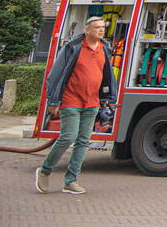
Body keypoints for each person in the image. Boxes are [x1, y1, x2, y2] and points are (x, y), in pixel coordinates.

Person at [35, 15, 116, 195]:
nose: (101, 30)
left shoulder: (105, 49)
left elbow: (106, 75)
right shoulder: (73, 48)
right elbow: (55, 75)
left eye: (103, 27)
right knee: (68, 137)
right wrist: (53, 101)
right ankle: (45, 170)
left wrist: (107, 97)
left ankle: (71, 181)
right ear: (87, 30)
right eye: (97, 27)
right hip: (71, 100)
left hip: (92, 102)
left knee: (83, 141)